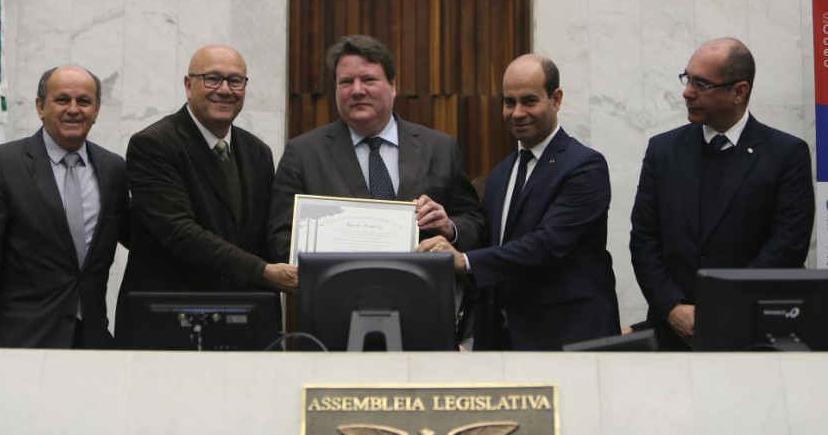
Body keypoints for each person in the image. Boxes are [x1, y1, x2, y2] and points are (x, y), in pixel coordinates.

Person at [417, 54, 620, 350]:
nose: (517, 112)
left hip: (570, 336)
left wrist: (464, 260)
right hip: (507, 340)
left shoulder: (585, 166)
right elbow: (495, 244)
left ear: (556, 99)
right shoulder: (500, 175)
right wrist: (448, 229)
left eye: (529, 100)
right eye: (509, 102)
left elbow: (547, 244)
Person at [630, 37, 815, 350]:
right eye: (687, 79)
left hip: (752, 333)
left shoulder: (786, 154)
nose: (687, 91)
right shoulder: (663, 151)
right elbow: (645, 241)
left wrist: (722, 309)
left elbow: (786, 247)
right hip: (672, 333)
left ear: (739, 91)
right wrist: (673, 307)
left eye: (701, 83)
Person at [114, 45, 296, 341]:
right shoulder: (153, 145)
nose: (225, 90)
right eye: (212, 79)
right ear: (188, 85)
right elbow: (179, 232)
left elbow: (263, 233)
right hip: (171, 326)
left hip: (245, 324)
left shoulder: (258, 152)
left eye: (235, 81)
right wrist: (263, 272)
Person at [268, 34, 487, 265]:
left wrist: (448, 228)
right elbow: (279, 241)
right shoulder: (303, 154)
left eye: (369, 79)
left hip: (420, 294)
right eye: (346, 82)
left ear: (392, 85)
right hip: (337, 295)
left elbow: (477, 225)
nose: (357, 90)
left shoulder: (441, 148)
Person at [0, 65, 128, 348]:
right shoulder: (4, 165)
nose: (74, 109)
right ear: (41, 107)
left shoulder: (113, 169)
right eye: (62, 100)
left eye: (84, 101)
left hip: (90, 341)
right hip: (19, 343)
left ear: (97, 110)